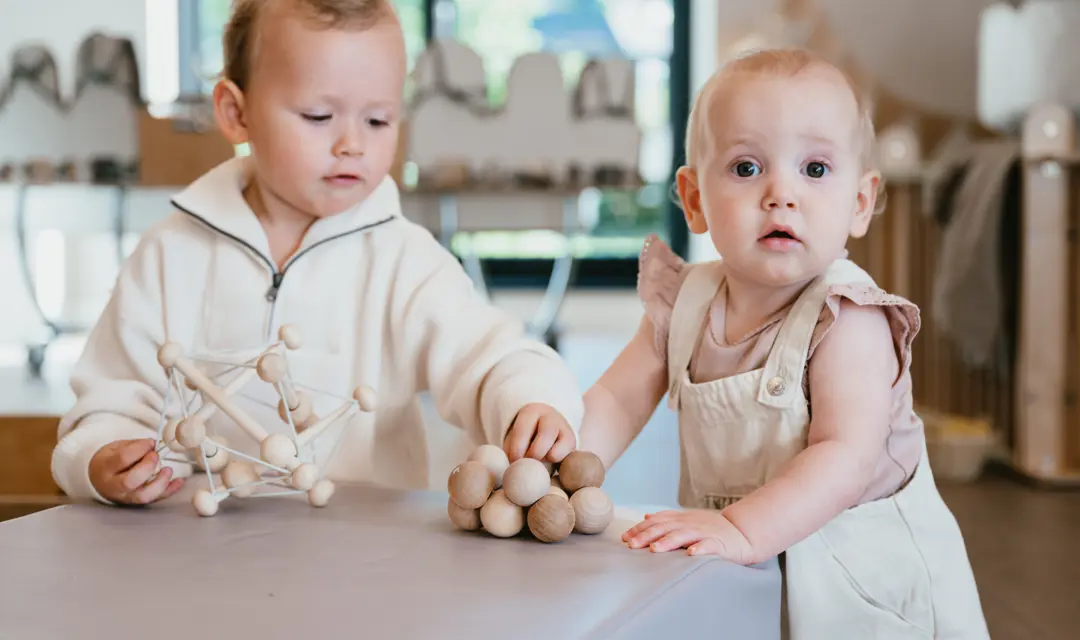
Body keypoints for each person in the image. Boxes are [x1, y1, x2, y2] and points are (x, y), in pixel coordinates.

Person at [51, 0, 582, 507]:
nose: (352, 143)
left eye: (378, 121)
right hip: (201, 559)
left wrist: (531, 401)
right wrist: (101, 459)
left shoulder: (403, 259)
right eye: (318, 115)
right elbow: (109, 402)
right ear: (237, 113)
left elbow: (489, 357)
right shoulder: (170, 253)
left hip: (365, 560)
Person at [579, 48, 990, 638]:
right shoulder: (686, 302)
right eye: (747, 168)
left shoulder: (848, 318)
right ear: (694, 200)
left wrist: (742, 530)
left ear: (859, 202)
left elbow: (844, 456)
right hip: (751, 567)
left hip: (861, 590)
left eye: (815, 170)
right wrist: (564, 469)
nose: (780, 194)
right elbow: (617, 401)